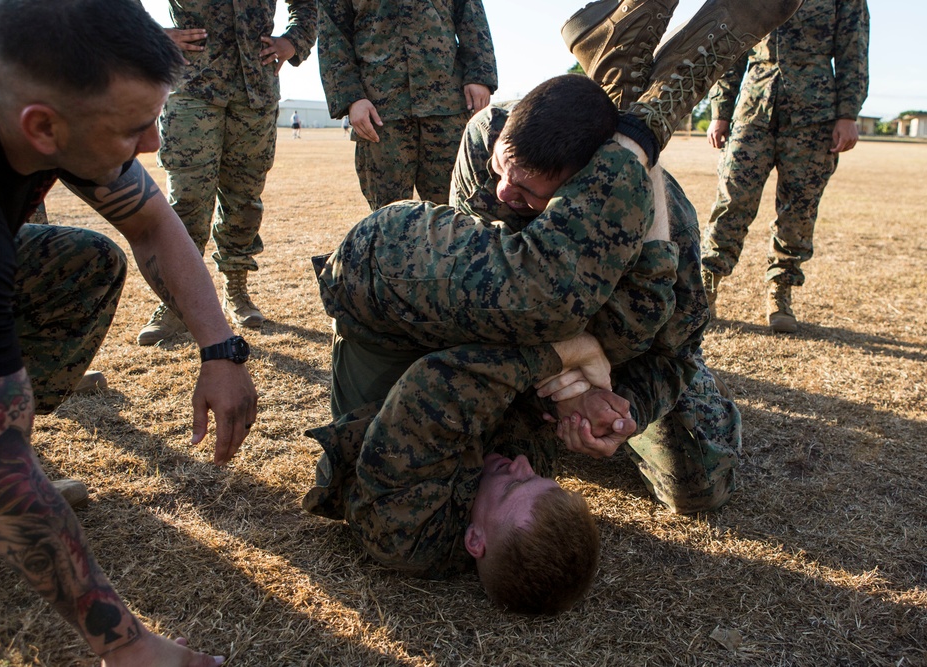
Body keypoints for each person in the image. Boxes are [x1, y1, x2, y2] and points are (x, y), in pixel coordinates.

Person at [304, 0, 800, 614]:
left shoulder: (408, 527)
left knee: (547, 299)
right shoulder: (511, 485)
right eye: (538, 473)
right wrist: (619, 407)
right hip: (511, 296)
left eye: (519, 481)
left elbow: (451, 378)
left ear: (474, 541)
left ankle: (633, 126)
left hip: (384, 286)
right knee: (685, 451)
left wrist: (565, 362)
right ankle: (633, 135)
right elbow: (664, 343)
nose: (520, 463)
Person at [0, 1, 259, 664]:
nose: (153, 147)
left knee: (83, 264)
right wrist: (128, 645)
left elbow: (151, 222)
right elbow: (5, 473)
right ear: (43, 128)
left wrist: (220, 349)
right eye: (135, 129)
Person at [137, 0, 317, 344]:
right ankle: (176, 304)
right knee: (187, 201)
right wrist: (148, 34)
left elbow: (306, 4)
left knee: (244, 200)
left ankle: (236, 289)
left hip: (256, 91)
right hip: (193, 87)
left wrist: (294, 40)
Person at [699, 0, 870, 333]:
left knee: (799, 209)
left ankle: (781, 293)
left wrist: (848, 114)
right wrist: (720, 111)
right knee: (733, 199)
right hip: (754, 104)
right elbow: (730, 45)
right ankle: (707, 285)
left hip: (814, 111)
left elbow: (854, 46)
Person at [316, 0, 498, 211]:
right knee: (388, 215)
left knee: (459, 211)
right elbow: (332, 33)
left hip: (447, 104)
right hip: (380, 109)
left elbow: (470, 12)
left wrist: (480, 75)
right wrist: (351, 98)